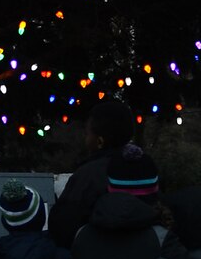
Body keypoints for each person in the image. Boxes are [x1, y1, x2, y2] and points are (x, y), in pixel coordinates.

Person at [48, 97, 141, 249]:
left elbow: (64, 226)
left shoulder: (89, 175)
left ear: (99, 141)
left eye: (87, 133)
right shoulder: (144, 167)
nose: (85, 139)